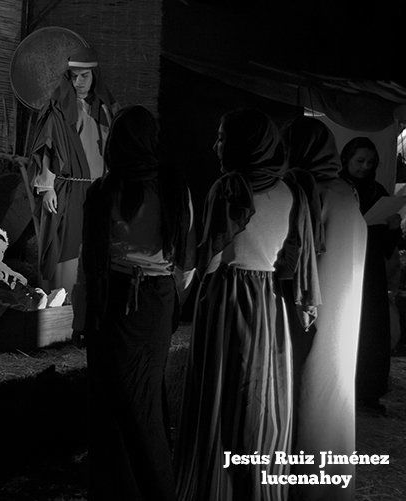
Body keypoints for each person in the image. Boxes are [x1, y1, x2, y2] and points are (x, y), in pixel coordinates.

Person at [174, 109, 320, 501]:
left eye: (222, 138)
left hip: (227, 297)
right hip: (269, 304)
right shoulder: (293, 192)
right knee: (260, 389)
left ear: (243, 144)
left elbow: (212, 256)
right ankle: (256, 481)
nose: (215, 145)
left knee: (222, 386)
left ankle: (217, 483)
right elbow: (292, 261)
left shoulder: (229, 188)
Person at [80, 105, 195, 500]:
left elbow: (89, 261)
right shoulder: (175, 190)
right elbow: (188, 260)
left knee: (113, 400)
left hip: (113, 300)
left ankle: (135, 488)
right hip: (155, 302)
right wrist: (171, 297)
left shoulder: (103, 192)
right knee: (143, 397)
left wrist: (85, 316)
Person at [283, 117, 367, 501]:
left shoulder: (309, 193)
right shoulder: (346, 193)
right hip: (345, 313)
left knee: (308, 387)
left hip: (311, 310)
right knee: (333, 389)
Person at [29, 46, 118, 297]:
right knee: (65, 247)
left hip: (99, 189)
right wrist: (47, 187)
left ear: (94, 76)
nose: (78, 82)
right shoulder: (58, 107)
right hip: (67, 189)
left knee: (94, 246)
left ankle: (89, 306)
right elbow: (46, 147)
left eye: (84, 76)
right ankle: (61, 305)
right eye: (74, 76)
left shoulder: (105, 109)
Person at [340, 137, 402, 415]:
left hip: (371, 270)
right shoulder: (338, 188)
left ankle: (368, 391)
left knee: (373, 331)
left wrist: (393, 226)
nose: (365, 167)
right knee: (344, 328)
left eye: (370, 162)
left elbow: (388, 246)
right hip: (343, 266)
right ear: (347, 161)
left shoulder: (377, 190)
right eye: (359, 161)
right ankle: (342, 389)